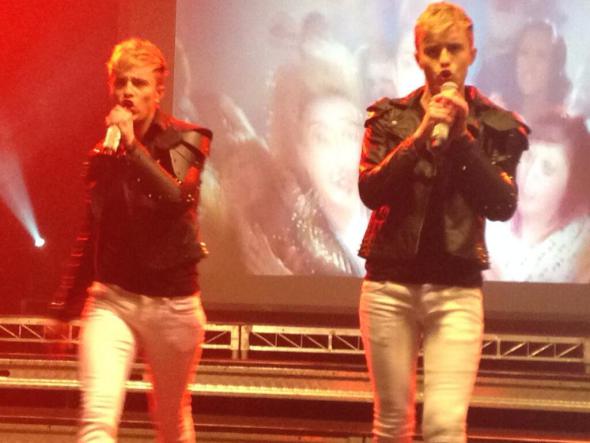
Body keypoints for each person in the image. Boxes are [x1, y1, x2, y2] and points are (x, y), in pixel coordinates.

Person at [357, 3, 528, 442]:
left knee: (445, 427)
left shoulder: (497, 125)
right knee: (391, 425)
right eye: (433, 51)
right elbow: (370, 190)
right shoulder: (389, 117)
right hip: (389, 288)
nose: (444, 61)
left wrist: (462, 138)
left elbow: (502, 203)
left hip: (456, 291)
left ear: (473, 53)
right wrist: (420, 138)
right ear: (418, 57)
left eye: (454, 49)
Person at [50, 38, 212, 442]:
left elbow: (176, 198)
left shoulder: (188, 139)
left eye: (138, 83)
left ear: (158, 91)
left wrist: (133, 147)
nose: (127, 92)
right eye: (121, 82)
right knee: (97, 418)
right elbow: (93, 232)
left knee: (171, 420)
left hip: (173, 305)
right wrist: (64, 307)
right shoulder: (104, 153)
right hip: (113, 301)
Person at [486, 113, 590, 282]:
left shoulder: (582, 242)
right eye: (528, 158)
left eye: (547, 168)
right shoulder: (489, 217)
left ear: (570, 184)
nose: (529, 175)